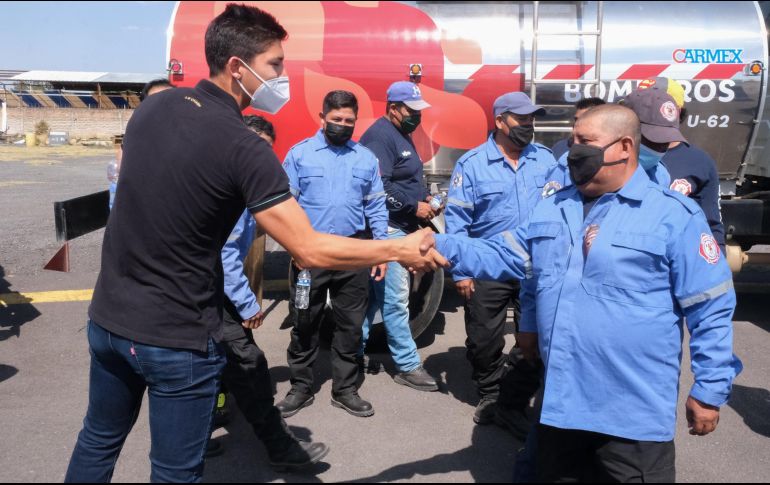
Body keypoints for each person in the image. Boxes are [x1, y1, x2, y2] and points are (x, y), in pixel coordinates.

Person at [65, 5, 445, 483]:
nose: (281, 78)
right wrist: (396, 248)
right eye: (276, 65)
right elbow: (307, 248)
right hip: (175, 337)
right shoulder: (244, 147)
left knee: (97, 442)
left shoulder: (155, 108)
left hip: (108, 321)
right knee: (174, 470)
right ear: (238, 68)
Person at [433, 104, 742, 482]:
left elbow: (710, 307)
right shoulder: (553, 209)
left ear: (624, 146)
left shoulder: (674, 216)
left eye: (585, 141)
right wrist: (432, 245)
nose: (572, 149)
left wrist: (710, 389)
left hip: (632, 417)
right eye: (572, 139)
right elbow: (501, 252)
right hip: (561, 407)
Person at [212, 114, 331, 471]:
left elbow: (276, 222)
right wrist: (248, 304)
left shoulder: (243, 185)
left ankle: (198, 435)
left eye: (263, 150)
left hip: (199, 293)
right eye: (251, 146)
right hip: (210, 295)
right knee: (249, 365)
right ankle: (280, 448)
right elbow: (225, 255)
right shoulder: (230, 190)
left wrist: (300, 248)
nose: (255, 156)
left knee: (208, 365)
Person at [444, 92, 557, 429]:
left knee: (533, 333)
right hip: (487, 266)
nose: (528, 125)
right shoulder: (472, 164)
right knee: (483, 337)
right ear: (500, 121)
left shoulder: (545, 160)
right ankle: (490, 392)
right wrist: (461, 270)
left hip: (533, 267)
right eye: (521, 119)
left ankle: (517, 393)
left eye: (531, 119)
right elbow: (457, 222)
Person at [277, 90, 388, 418]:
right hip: (309, 252)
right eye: (336, 119)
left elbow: (376, 205)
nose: (342, 125)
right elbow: (284, 207)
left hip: (353, 252)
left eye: (348, 121)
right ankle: (300, 386)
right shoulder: (300, 155)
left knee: (350, 323)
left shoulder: (365, 158)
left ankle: (345, 388)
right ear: (322, 118)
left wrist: (380, 250)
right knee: (304, 320)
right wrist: (294, 247)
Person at [357, 81, 440, 392]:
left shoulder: (399, 133)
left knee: (375, 300)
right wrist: (412, 206)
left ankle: (350, 354)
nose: (416, 116)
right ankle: (406, 365)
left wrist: (426, 202)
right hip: (388, 228)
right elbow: (378, 186)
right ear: (393, 108)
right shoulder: (380, 136)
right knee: (394, 300)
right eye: (411, 110)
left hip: (400, 226)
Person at [638, 77, 726, 252]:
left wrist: (717, 268)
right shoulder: (620, 154)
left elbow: (711, 224)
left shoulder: (699, 162)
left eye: (650, 104)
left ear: (675, 111)